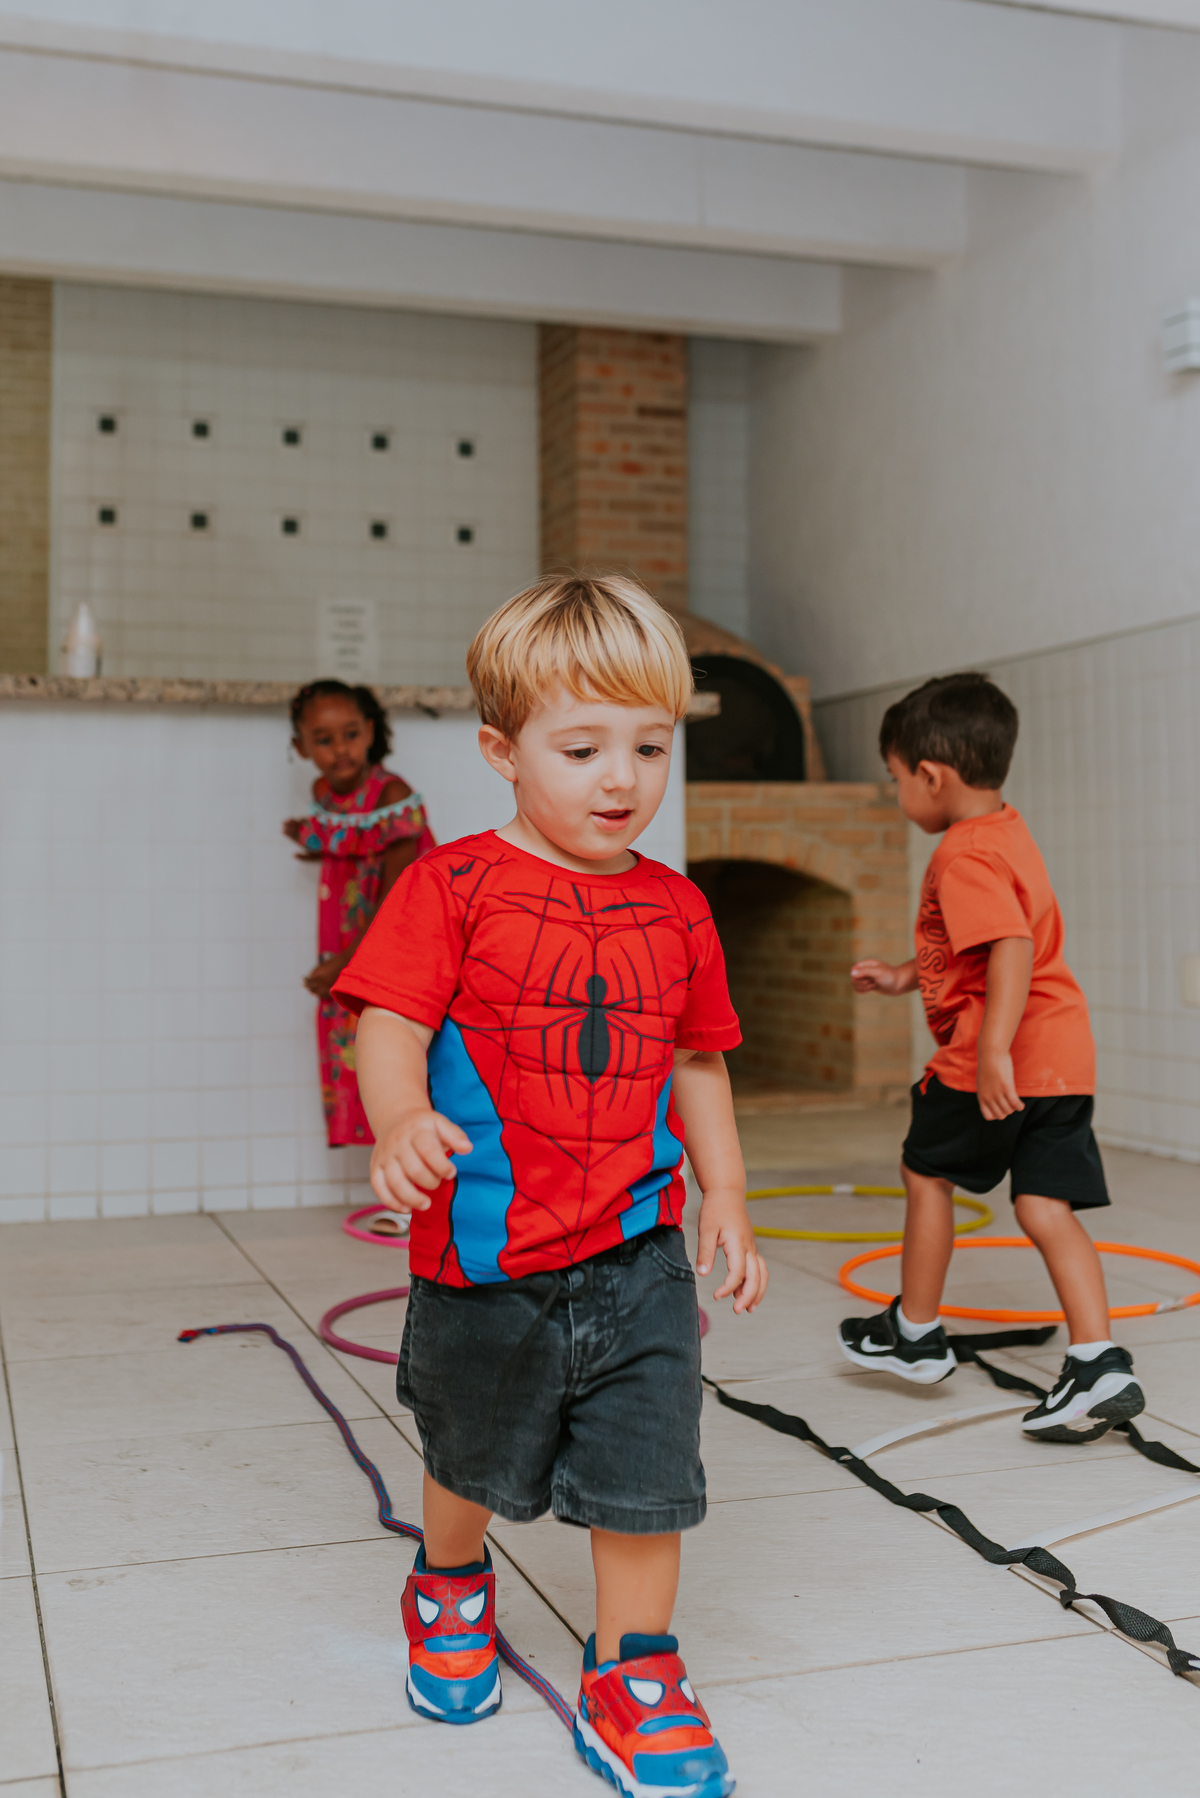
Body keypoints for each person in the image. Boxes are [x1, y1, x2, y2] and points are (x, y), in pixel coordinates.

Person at [332, 575, 767, 1798]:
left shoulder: (678, 908)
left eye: (648, 745)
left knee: (649, 1467)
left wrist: (724, 1191)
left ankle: (635, 1672)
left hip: (636, 1252)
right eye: (581, 748)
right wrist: (401, 1113)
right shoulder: (453, 885)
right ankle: (450, 1584)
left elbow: (697, 1055)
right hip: (484, 1254)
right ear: (501, 751)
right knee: (470, 1456)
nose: (620, 778)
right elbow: (388, 1020)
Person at [839, 672, 1144, 1443]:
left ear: (932, 775)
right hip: (1064, 1054)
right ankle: (1097, 1360)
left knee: (925, 1171)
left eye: (897, 779)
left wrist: (995, 1053)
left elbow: (1007, 946)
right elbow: (980, 947)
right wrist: (905, 976)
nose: (900, 793)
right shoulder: (1007, 828)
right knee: (1045, 1206)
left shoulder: (962, 854)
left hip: (995, 1057)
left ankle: (914, 1332)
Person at [284, 680, 435, 1148]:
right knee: (354, 1039)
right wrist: (316, 845)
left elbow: (396, 894)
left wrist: (347, 962)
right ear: (301, 747)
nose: (340, 750)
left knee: (395, 1038)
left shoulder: (392, 796)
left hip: (389, 940)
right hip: (349, 937)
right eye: (324, 740)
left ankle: (414, 1191)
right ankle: (397, 1179)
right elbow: (356, 845)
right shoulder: (326, 795)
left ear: (370, 731)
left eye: (350, 734)